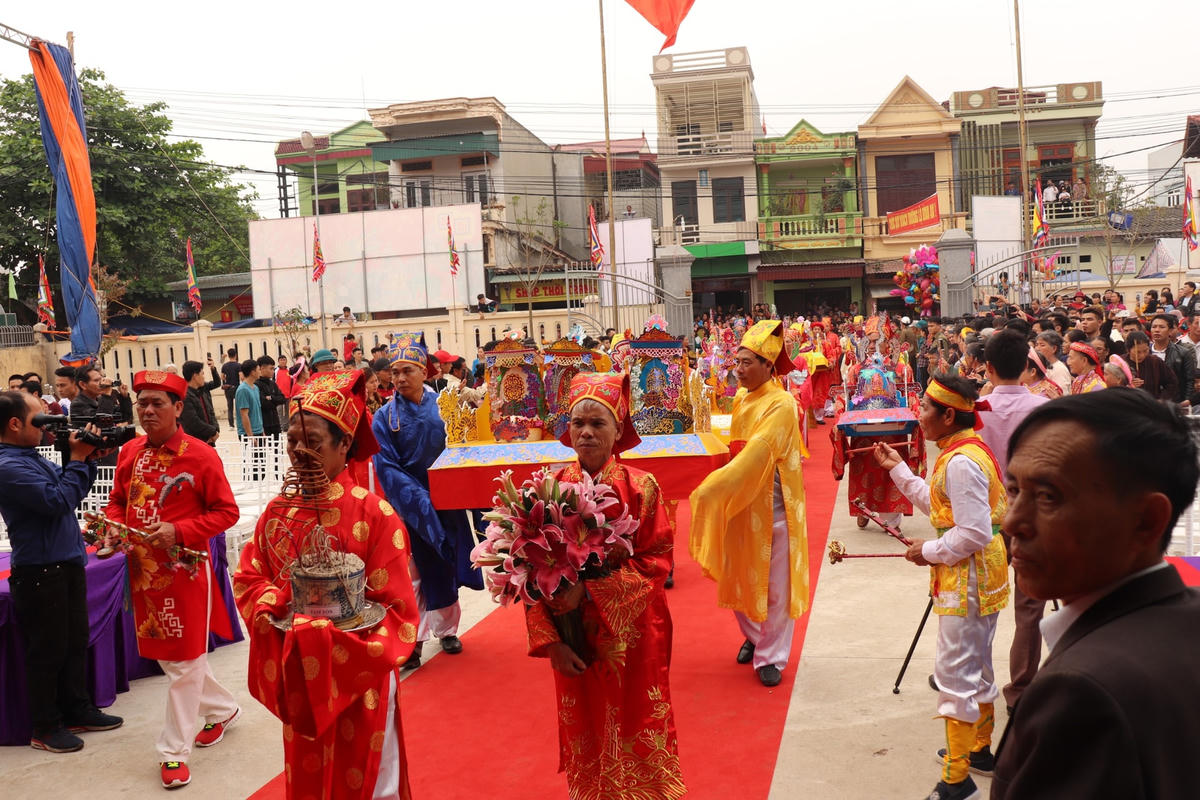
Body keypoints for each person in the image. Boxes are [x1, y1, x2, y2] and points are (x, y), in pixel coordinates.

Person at [992, 390, 1200, 798]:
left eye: (1049, 496)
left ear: (1146, 520)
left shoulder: (1081, 691)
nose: (1011, 523)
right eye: (1014, 489)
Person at [234, 369, 419, 800]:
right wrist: (275, 606)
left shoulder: (375, 515)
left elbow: (396, 610)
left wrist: (329, 640)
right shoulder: (277, 512)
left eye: (313, 440)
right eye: (292, 440)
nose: (299, 451)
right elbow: (249, 576)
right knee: (308, 774)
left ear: (344, 445)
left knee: (372, 780)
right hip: (301, 671)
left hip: (361, 675)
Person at [525, 372, 685, 799]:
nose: (587, 432)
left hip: (633, 636)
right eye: (578, 423)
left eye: (598, 423)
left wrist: (592, 590)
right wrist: (551, 642)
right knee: (587, 724)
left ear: (619, 430)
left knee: (637, 720)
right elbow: (529, 570)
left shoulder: (642, 487)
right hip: (573, 635)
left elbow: (656, 561)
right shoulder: (549, 488)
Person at [873, 374, 1009, 800]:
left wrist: (928, 550)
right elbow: (942, 507)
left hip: (966, 577)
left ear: (949, 414)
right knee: (977, 665)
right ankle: (980, 752)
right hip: (975, 574)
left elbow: (971, 533)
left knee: (954, 675)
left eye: (927, 408)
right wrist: (897, 468)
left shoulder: (961, 461)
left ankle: (956, 779)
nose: (920, 415)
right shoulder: (961, 451)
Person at [103, 370, 241, 790]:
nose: (147, 411)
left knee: (182, 663)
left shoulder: (200, 456)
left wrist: (179, 531)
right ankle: (222, 709)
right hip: (142, 575)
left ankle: (173, 752)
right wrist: (111, 528)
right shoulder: (129, 451)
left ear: (178, 408)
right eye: (141, 402)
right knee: (172, 659)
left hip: (184, 574)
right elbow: (118, 503)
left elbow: (226, 512)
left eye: (157, 403)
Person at [0, 391, 124, 753]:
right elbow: (57, 502)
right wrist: (77, 460)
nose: (47, 425)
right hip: (40, 570)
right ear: (15, 423)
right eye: (40, 419)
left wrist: (85, 459)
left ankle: (78, 709)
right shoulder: (7, 466)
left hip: (66, 562)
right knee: (48, 651)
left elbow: (74, 490)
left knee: (73, 643)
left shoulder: (30, 457)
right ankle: (45, 726)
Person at [690, 320, 810, 687]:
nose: (738, 369)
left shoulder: (783, 404)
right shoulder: (742, 398)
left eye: (746, 363)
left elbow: (757, 454)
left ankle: (770, 656)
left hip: (775, 506)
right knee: (738, 575)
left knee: (775, 587)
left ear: (769, 367)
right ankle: (756, 636)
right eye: (737, 362)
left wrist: (712, 488)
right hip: (742, 500)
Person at [372, 333, 483, 669]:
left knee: (446, 565)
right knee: (412, 575)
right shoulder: (384, 418)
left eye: (408, 370)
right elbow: (387, 468)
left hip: (448, 500)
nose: (401, 377)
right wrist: (419, 501)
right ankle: (414, 642)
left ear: (424, 371)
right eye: (396, 371)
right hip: (409, 506)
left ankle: (446, 630)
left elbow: (465, 446)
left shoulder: (445, 407)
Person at [978, 331, 1050, 716]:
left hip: (982, 517)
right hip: (1030, 515)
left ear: (987, 367)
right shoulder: (1042, 409)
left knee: (974, 604)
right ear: (1026, 366)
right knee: (1029, 608)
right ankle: (1020, 689)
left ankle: (971, 676)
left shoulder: (974, 408)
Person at [1149, 313, 1194, 404]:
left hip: (1175, 402)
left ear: (1170, 331)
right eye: (1154, 327)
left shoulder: (1183, 353)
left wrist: (1186, 401)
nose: (1157, 330)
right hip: (1149, 402)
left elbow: (1189, 380)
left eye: (1161, 327)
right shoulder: (1145, 353)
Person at [1125, 330, 1177, 401]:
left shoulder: (1155, 361)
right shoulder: (1121, 362)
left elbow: (1172, 382)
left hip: (1152, 405)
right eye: (1138, 352)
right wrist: (1129, 385)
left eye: (1145, 351)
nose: (1142, 355)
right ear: (1128, 350)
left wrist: (1162, 399)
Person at [180, 360, 221, 444]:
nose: (204, 377)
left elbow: (210, 413)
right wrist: (213, 432)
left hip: (209, 438)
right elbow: (193, 422)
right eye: (202, 374)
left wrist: (215, 430)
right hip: (196, 441)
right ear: (195, 376)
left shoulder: (202, 390)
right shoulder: (185, 396)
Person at [255, 354, 286, 441]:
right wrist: (274, 401)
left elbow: (282, 398)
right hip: (263, 424)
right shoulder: (256, 385)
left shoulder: (273, 384)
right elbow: (264, 403)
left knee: (278, 450)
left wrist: (271, 398)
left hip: (275, 423)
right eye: (271, 368)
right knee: (264, 450)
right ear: (262, 368)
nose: (273, 371)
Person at [220, 349, 241, 427]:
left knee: (230, 407)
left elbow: (222, 377)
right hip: (236, 388)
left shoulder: (224, 366)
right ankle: (239, 423)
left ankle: (231, 425)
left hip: (228, 388)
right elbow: (241, 377)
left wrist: (227, 380)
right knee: (238, 406)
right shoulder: (238, 365)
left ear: (228, 355)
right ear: (235, 355)